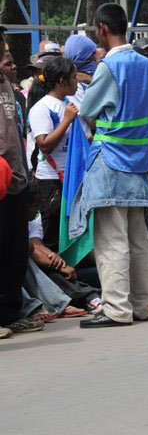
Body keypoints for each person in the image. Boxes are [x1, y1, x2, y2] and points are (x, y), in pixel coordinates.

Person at [72, 3, 148, 328]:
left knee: (112, 240)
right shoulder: (145, 63)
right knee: (138, 239)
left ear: (103, 29)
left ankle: (116, 309)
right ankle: (144, 303)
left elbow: (88, 110)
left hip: (110, 159)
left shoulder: (109, 65)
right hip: (138, 160)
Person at [0, 26, 40, 336]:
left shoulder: (7, 86)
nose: (6, 54)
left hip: (16, 179)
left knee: (14, 253)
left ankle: (10, 314)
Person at [27, 56, 79, 251]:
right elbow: (44, 144)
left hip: (70, 178)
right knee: (52, 235)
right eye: (73, 77)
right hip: (51, 181)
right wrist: (66, 120)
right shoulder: (42, 107)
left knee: (70, 234)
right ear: (62, 81)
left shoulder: (68, 103)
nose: (77, 81)